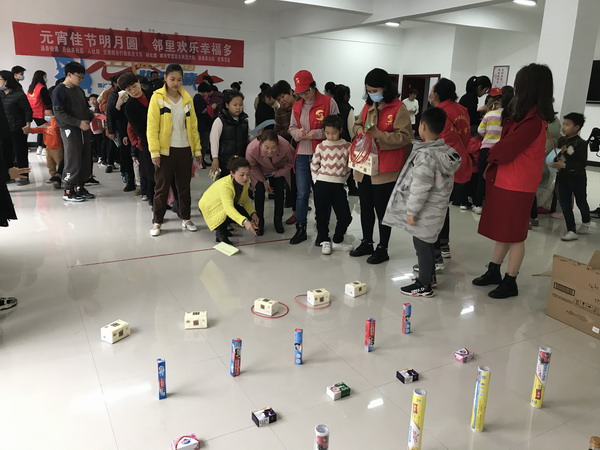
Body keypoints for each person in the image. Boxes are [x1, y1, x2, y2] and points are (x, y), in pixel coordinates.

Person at [473, 63, 555, 299]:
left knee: (515, 235)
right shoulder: (526, 118)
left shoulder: (533, 122)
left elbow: (506, 149)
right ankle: (494, 270)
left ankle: (511, 281)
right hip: (508, 180)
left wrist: (491, 155)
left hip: (518, 184)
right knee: (504, 231)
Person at [383, 107, 461, 297]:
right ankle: (430, 277)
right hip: (437, 210)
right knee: (429, 244)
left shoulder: (426, 156)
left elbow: (420, 188)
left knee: (422, 246)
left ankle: (424, 285)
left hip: (425, 212)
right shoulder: (444, 152)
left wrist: (411, 212)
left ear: (423, 126)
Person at [349, 68, 413, 264]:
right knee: (365, 206)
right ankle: (366, 242)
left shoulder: (399, 108)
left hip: (386, 168)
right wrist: (360, 130)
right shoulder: (368, 105)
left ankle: (382, 248)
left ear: (385, 88)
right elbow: (357, 124)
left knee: (382, 210)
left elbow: (405, 137)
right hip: (366, 165)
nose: (372, 94)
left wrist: (379, 135)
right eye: (368, 90)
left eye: (375, 90)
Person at [147, 63, 202, 237]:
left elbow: (193, 127)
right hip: (165, 151)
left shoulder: (187, 99)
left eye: (179, 79)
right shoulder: (157, 98)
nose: (176, 83)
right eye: (172, 79)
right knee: (161, 188)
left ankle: (186, 218)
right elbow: (152, 127)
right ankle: (157, 221)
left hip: (185, 149)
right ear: (165, 78)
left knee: (184, 187)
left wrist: (197, 151)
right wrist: (154, 152)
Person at [288, 69, 340, 245]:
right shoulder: (297, 106)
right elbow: (291, 128)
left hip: (324, 155)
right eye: (301, 93)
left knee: (322, 194)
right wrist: (298, 133)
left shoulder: (328, 102)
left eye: (307, 91)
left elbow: (336, 127)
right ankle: (301, 228)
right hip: (302, 155)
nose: (304, 95)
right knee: (302, 193)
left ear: (313, 86)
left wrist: (316, 133)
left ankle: (322, 230)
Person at [427, 78, 471, 260]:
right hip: (458, 162)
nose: (430, 93)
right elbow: (465, 138)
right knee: (443, 204)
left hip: (441, 164)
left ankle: (436, 253)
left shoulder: (440, 113)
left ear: (437, 94)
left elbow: (437, 141)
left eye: (432, 91)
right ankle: (444, 244)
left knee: (435, 206)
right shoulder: (462, 110)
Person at [51, 62, 95, 201]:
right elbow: (59, 113)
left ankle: (80, 187)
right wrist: (77, 123)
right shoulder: (59, 90)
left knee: (85, 158)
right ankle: (68, 189)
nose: (81, 80)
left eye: (82, 77)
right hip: (70, 129)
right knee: (73, 158)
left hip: (83, 129)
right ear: (69, 74)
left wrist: (92, 116)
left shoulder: (79, 91)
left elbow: (84, 109)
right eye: (78, 77)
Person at [310, 114, 353, 255]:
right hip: (322, 184)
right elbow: (314, 164)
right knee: (322, 216)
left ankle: (337, 240)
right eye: (327, 133)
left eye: (333, 133)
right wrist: (316, 180)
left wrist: (343, 179)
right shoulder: (321, 146)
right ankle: (324, 240)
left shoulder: (347, 146)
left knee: (345, 216)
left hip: (338, 185)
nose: (330, 136)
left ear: (340, 130)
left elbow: (349, 166)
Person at [199, 156, 259, 245]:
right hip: (209, 207)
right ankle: (220, 234)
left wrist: (252, 213)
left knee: (244, 214)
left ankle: (223, 228)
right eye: (242, 175)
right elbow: (228, 209)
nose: (245, 178)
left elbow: (245, 200)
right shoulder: (226, 186)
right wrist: (245, 222)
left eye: (248, 174)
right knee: (227, 213)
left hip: (222, 205)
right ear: (232, 173)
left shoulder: (244, 182)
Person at [549, 113, 590, 241]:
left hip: (578, 178)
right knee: (565, 204)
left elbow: (582, 163)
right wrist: (554, 161)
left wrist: (564, 165)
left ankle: (586, 221)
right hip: (563, 177)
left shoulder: (581, 143)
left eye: (567, 124)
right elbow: (558, 155)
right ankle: (571, 230)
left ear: (577, 127)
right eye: (563, 124)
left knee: (581, 201)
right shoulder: (561, 141)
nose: (563, 127)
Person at [246, 129, 295, 235]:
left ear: (278, 144)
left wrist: (277, 173)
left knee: (279, 191)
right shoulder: (252, 149)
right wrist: (264, 181)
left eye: (273, 147)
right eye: (266, 147)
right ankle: (259, 222)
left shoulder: (285, 146)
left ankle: (278, 221)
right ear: (261, 144)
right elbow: (252, 167)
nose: (270, 151)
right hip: (259, 170)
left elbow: (291, 162)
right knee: (259, 191)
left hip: (278, 168)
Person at [118, 72, 155, 207]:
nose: (133, 91)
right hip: (147, 142)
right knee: (150, 173)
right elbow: (139, 130)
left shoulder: (154, 95)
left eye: (134, 86)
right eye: (129, 90)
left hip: (165, 138)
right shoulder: (129, 107)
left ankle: (167, 199)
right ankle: (153, 200)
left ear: (139, 82)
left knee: (165, 172)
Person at [473, 87, 505, 213]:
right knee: (496, 177)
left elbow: (480, 130)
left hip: (486, 148)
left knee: (482, 176)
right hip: (499, 149)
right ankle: (492, 204)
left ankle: (478, 204)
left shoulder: (489, 114)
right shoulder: (506, 115)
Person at [271, 79, 298, 224]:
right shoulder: (280, 112)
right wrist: (289, 131)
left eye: (283, 97)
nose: (282, 101)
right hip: (291, 154)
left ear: (291, 92)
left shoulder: (301, 105)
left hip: (308, 149)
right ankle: (295, 213)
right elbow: (277, 132)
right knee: (293, 185)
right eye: (278, 99)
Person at [0, 70, 32, 186]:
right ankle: (9, 175)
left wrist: (28, 125)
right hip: (4, 130)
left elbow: (28, 110)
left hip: (18, 128)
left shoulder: (19, 94)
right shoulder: (1, 94)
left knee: (20, 153)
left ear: (7, 81)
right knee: (6, 154)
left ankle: (24, 177)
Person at [210, 89, 249, 178]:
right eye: (235, 105)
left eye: (240, 105)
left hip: (240, 161)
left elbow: (246, 138)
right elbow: (214, 141)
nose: (238, 107)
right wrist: (215, 159)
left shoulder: (244, 121)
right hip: (225, 162)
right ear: (227, 105)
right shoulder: (219, 121)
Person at [107, 74, 135, 191]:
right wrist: (111, 130)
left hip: (136, 127)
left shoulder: (135, 93)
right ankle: (129, 179)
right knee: (125, 154)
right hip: (123, 128)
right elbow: (111, 114)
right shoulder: (114, 95)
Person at [333, 84, 359, 196]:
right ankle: (352, 188)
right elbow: (351, 128)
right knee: (348, 166)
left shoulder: (332, 106)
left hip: (332, 142)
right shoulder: (348, 108)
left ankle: (336, 188)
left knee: (335, 166)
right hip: (345, 142)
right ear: (345, 95)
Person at [28, 109, 62, 187]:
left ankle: (60, 177)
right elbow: (37, 129)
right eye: (45, 115)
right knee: (50, 164)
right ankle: (53, 176)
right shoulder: (46, 125)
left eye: (48, 115)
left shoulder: (57, 124)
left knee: (60, 163)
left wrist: (53, 119)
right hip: (48, 148)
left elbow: (54, 128)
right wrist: (29, 130)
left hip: (57, 148)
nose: (46, 117)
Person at [26, 70, 52, 155]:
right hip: (41, 112)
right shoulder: (42, 88)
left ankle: (39, 147)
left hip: (32, 112)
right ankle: (44, 148)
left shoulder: (31, 87)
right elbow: (47, 101)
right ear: (41, 77)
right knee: (45, 130)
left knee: (41, 130)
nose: (46, 79)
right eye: (45, 77)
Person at [193, 82, 216, 166]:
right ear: (204, 91)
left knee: (204, 143)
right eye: (206, 92)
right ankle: (200, 162)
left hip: (203, 124)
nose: (207, 94)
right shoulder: (198, 98)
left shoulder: (198, 98)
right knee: (203, 143)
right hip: (202, 125)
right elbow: (201, 111)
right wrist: (211, 107)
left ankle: (202, 161)